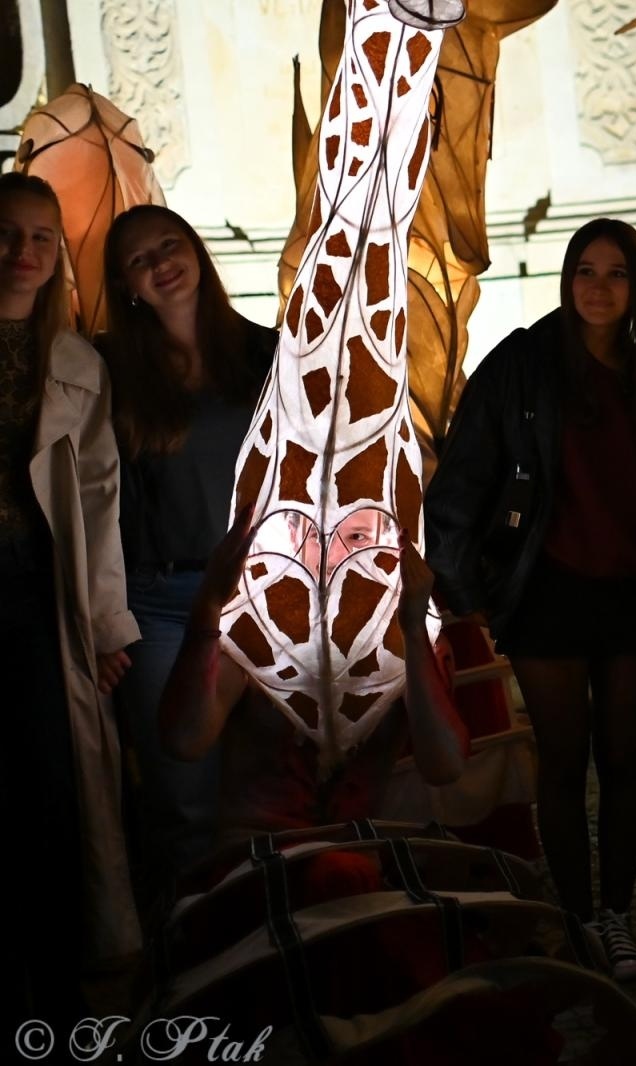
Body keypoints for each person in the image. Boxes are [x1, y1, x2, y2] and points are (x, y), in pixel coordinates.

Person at [424, 218, 636, 980]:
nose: (598, 288)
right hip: (548, 590)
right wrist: (463, 582)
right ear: (567, 281)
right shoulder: (524, 364)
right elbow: (463, 473)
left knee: (625, 757)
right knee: (563, 761)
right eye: (585, 272)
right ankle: (575, 923)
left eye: (616, 274)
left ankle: (618, 916)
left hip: (630, 594)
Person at [98, 203, 276, 896]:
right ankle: (191, 952)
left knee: (271, 787)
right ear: (127, 287)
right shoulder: (112, 370)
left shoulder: (265, 352)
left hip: (263, 595)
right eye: (139, 260)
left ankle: (279, 935)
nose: (160, 263)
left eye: (169, 245)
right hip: (161, 606)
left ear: (196, 252)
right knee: (181, 799)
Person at [0, 171, 141, 1031]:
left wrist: (105, 622)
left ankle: (56, 1006)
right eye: (7, 233)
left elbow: (97, 496)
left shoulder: (73, 361)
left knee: (54, 798)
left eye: (41, 237)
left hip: (37, 601)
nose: (23, 253)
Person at [159, 509, 467, 848]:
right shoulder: (253, 631)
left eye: (357, 538)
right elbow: (184, 740)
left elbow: (446, 766)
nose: (334, 557)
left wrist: (413, 633)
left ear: (391, 544)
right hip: (257, 862)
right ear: (294, 538)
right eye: (318, 536)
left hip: (359, 865)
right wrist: (210, 601)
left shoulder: (407, 640)